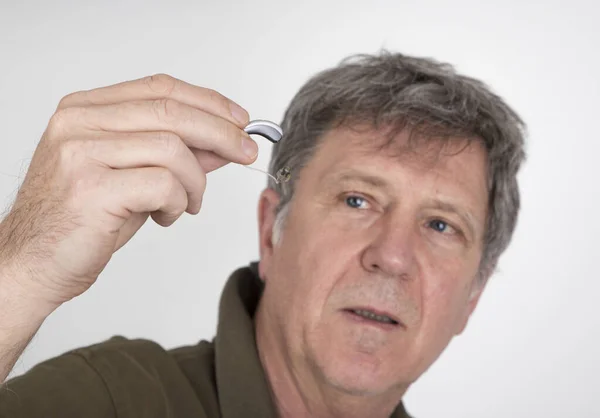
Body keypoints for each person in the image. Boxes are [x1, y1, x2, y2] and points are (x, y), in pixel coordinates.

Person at [0, 51, 526, 418]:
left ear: (472, 297)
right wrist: (23, 273)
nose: (392, 257)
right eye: (357, 200)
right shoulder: (110, 400)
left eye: (440, 225)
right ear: (271, 233)